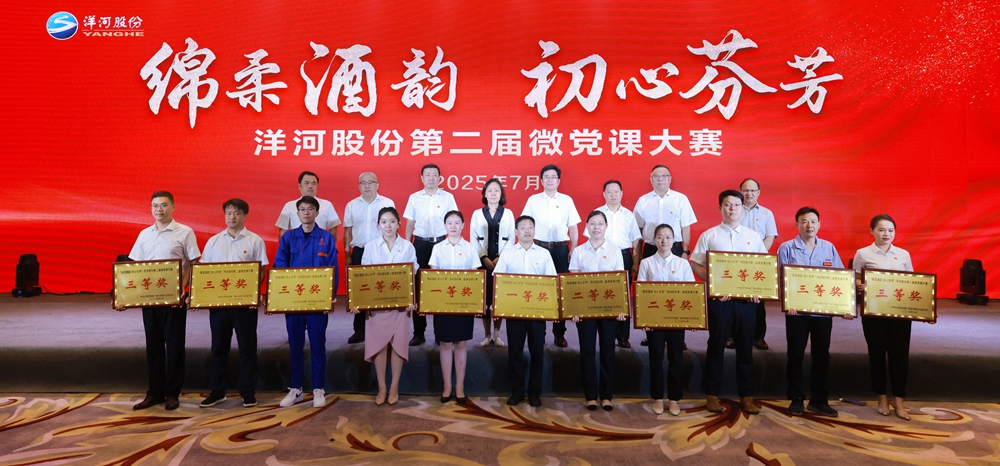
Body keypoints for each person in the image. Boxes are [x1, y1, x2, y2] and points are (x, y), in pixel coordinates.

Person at [690, 190, 767, 415]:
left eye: (736, 205)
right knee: (716, 345)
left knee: (745, 347)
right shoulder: (710, 235)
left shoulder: (753, 237)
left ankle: (746, 395)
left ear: (743, 209)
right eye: (727, 205)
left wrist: (758, 291)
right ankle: (712, 394)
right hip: (720, 301)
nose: (732, 208)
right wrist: (713, 284)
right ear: (720, 208)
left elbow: (763, 267)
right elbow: (695, 263)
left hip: (746, 302)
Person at [125, 191, 201, 411]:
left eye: (164, 205)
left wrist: (182, 289)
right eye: (155, 205)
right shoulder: (144, 234)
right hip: (150, 300)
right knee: (154, 347)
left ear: (173, 207)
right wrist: (127, 296)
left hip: (174, 300)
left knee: (175, 347)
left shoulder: (184, 232)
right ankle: (155, 392)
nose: (159, 209)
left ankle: (173, 393)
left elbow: (193, 263)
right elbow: (135, 267)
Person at [777, 207, 851, 418]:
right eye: (804, 221)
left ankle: (819, 400)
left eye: (813, 221)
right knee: (795, 355)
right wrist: (787, 302)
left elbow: (840, 279)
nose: (809, 225)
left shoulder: (828, 248)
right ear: (796, 224)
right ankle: (796, 399)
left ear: (819, 224)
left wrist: (844, 306)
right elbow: (780, 278)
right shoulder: (787, 248)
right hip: (796, 313)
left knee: (821, 356)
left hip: (822, 313)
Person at [198, 198, 268, 409]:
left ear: (245, 216)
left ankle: (248, 393)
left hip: (244, 305)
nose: (232, 217)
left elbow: (261, 270)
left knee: (247, 348)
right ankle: (217, 392)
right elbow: (204, 272)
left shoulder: (255, 240)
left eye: (237, 213)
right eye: (228, 213)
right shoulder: (213, 241)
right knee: (219, 347)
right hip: (219, 305)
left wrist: (253, 293)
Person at [273, 196, 339, 409]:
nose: (306, 212)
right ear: (297, 213)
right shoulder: (288, 237)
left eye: (310, 209)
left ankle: (318, 388)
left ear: (317, 213)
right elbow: (280, 266)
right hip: (294, 301)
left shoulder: (326, 238)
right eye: (302, 209)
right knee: (295, 344)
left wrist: (330, 294)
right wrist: (280, 296)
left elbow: (333, 266)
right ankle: (296, 388)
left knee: (318, 343)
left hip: (317, 301)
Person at [350, 207, 419, 406]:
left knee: (398, 347)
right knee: (379, 346)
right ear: (378, 225)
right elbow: (363, 277)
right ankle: (382, 388)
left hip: (400, 306)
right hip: (377, 306)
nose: (388, 226)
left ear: (399, 224)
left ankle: (394, 387)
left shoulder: (408, 246)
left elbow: (412, 275)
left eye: (392, 221)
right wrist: (358, 302)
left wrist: (411, 299)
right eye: (383, 222)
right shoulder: (370, 247)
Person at [854, 214, 920, 421]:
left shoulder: (903, 254)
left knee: (900, 356)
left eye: (890, 230)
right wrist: (859, 285)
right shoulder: (863, 253)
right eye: (881, 230)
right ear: (872, 231)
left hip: (900, 313)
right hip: (874, 312)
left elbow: (912, 281)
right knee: (877, 354)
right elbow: (854, 279)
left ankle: (899, 400)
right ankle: (881, 398)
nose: (886, 234)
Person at [494, 215, 557, 408]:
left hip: (537, 312)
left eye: (530, 227)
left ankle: (535, 392)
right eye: (523, 227)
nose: (527, 230)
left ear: (535, 231)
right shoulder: (508, 253)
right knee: (515, 352)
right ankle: (517, 391)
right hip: (514, 312)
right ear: (516, 232)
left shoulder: (544, 254)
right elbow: (498, 280)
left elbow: (552, 282)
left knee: (537, 352)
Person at [569, 211, 627, 411]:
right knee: (587, 351)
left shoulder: (615, 250)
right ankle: (591, 396)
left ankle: (607, 396)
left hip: (609, 310)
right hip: (585, 310)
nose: (596, 227)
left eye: (600, 223)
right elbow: (573, 283)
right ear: (586, 226)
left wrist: (621, 308)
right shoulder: (579, 251)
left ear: (606, 226)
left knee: (608, 351)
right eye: (592, 223)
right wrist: (574, 309)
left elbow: (619, 282)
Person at [637, 224, 695, 416]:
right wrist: (644, 319)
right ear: (654, 240)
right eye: (660, 237)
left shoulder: (682, 264)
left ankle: (674, 398)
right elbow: (641, 293)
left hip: (676, 319)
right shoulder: (646, 263)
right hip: (654, 320)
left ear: (674, 240)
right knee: (656, 358)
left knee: (676, 358)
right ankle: (657, 397)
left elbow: (691, 292)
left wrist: (693, 318)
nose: (664, 241)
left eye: (668, 237)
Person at [520, 164, 581, 348]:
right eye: (546, 177)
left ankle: (559, 333)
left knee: (560, 291)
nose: (550, 180)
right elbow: (525, 224)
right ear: (541, 180)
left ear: (558, 181)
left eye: (553, 177)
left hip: (561, 250)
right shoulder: (533, 200)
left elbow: (573, 227)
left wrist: (574, 248)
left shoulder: (567, 200)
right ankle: (539, 332)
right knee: (538, 288)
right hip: (539, 248)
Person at [403, 164, 458, 346]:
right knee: (418, 288)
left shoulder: (448, 197)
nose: (431, 178)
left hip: (442, 244)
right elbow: (410, 224)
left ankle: (441, 333)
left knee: (441, 287)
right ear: (422, 178)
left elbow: (454, 221)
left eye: (435, 175)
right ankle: (419, 333)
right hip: (420, 244)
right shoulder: (414, 198)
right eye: (428, 175)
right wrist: (407, 247)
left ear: (440, 178)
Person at [585, 180, 642, 348]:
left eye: (616, 191)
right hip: (602, 254)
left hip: (624, 255)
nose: (613, 195)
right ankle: (602, 330)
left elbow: (636, 240)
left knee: (622, 294)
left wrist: (635, 262)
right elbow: (590, 236)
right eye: (609, 192)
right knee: (601, 292)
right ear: (604, 194)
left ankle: (622, 336)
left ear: (621, 193)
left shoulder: (629, 215)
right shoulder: (597, 214)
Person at [429, 211, 478, 404]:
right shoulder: (438, 248)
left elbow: (475, 277)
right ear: (445, 226)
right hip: (443, 303)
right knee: (445, 343)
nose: (453, 226)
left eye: (457, 222)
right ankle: (447, 386)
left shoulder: (470, 248)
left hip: (463, 302)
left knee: (461, 343)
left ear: (463, 225)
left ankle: (459, 386)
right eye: (449, 223)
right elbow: (433, 276)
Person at [343, 171, 395, 344]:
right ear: (359, 186)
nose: (367, 185)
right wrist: (348, 256)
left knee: (382, 289)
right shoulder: (352, 205)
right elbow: (347, 232)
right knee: (361, 290)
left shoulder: (387, 203)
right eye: (363, 183)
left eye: (370, 182)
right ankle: (359, 330)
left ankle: (383, 328)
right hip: (359, 251)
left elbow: (392, 228)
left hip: (381, 251)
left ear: (377, 185)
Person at [469, 179, 515, 347]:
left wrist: (500, 258)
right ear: (485, 194)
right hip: (483, 261)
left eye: (497, 190)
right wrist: (483, 258)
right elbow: (473, 238)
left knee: (498, 297)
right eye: (490, 190)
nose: (493, 193)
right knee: (486, 297)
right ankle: (487, 335)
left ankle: (497, 334)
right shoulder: (477, 214)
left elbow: (511, 238)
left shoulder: (508, 213)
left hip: (502, 261)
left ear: (501, 194)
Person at [738, 178, 779, 351]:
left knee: (758, 301)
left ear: (758, 193)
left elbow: (770, 236)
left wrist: (758, 253)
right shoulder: (735, 209)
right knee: (735, 297)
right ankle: (732, 336)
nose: (749, 193)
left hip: (759, 261)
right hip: (737, 261)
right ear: (741, 191)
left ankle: (758, 336)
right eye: (746, 190)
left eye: (752, 190)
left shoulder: (766, 213)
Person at [634, 165, 697, 260]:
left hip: (674, 248)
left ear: (670, 179)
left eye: (664, 176)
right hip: (650, 248)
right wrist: (637, 254)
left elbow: (685, 227)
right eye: (656, 176)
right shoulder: (643, 200)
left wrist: (685, 251)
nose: (660, 179)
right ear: (651, 179)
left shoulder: (681, 199)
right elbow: (638, 229)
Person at [275, 171, 341, 240]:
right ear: (299, 186)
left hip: (319, 245)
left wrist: (329, 245)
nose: (310, 186)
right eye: (307, 183)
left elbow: (333, 229)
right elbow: (283, 231)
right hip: (296, 245)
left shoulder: (326, 205)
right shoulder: (289, 206)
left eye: (313, 183)